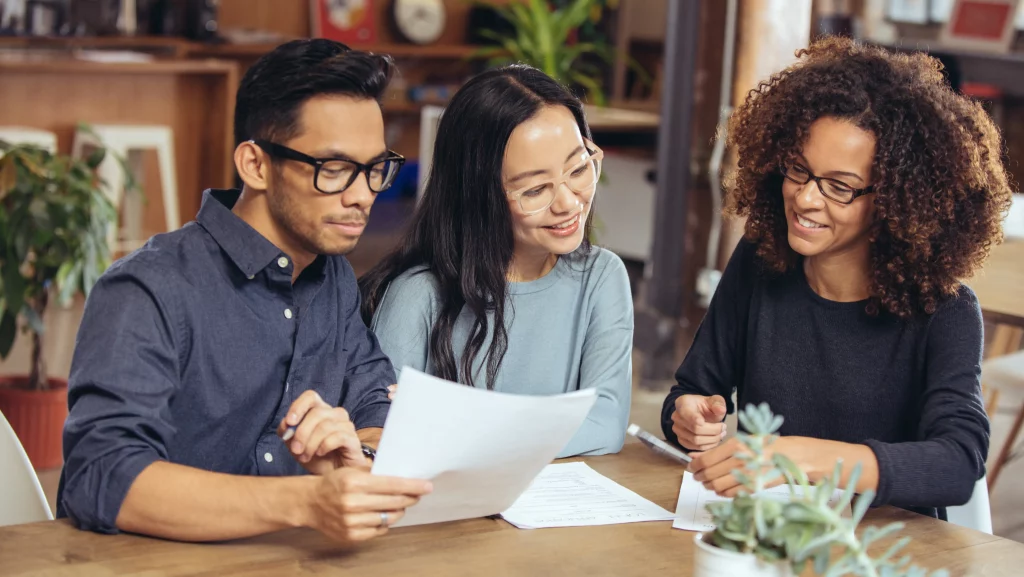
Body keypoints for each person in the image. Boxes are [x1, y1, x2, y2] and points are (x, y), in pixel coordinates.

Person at [57, 39, 432, 544]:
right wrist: (307, 502)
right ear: (255, 165)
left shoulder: (332, 275)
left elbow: (374, 401)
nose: (362, 194)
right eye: (334, 169)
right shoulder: (148, 289)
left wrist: (358, 456)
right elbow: (100, 475)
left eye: (373, 170)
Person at [662, 37, 1013, 520]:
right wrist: (689, 418)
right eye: (798, 171)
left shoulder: (944, 309)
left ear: (895, 201)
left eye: (839, 187)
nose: (806, 199)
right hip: (773, 539)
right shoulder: (761, 262)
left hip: (891, 554)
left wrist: (797, 457)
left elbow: (957, 463)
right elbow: (690, 392)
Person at [359, 65, 633, 458]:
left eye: (578, 168)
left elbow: (605, 425)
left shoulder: (601, 278)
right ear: (477, 195)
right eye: (535, 189)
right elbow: (385, 434)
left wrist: (461, 421)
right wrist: (537, 428)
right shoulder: (418, 294)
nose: (569, 202)